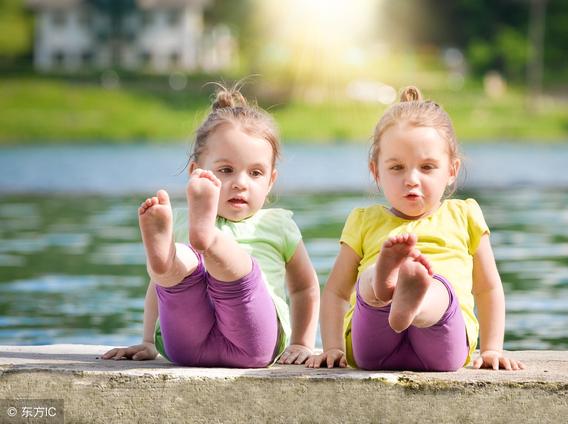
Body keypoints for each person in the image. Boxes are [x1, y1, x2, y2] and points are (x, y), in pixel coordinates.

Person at [307, 86, 523, 372]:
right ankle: (384, 283)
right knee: (369, 283)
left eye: (427, 167)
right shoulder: (364, 220)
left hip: (443, 344)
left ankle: (416, 298)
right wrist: (332, 348)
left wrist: (493, 348)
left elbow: (488, 287)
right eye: (397, 168)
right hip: (372, 346)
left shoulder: (464, 214)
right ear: (376, 172)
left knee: (438, 291)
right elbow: (335, 291)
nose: (411, 179)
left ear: (451, 170)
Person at [103, 84, 319, 367]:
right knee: (173, 270)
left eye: (255, 173)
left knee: (233, 270)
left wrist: (302, 343)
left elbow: (305, 287)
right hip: (186, 344)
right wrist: (147, 341)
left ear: (271, 182)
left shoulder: (277, 224)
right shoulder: (179, 221)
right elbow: (157, 287)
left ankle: (208, 241)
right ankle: (175, 255)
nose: (240, 182)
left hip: (252, 342)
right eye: (226, 170)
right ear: (196, 173)